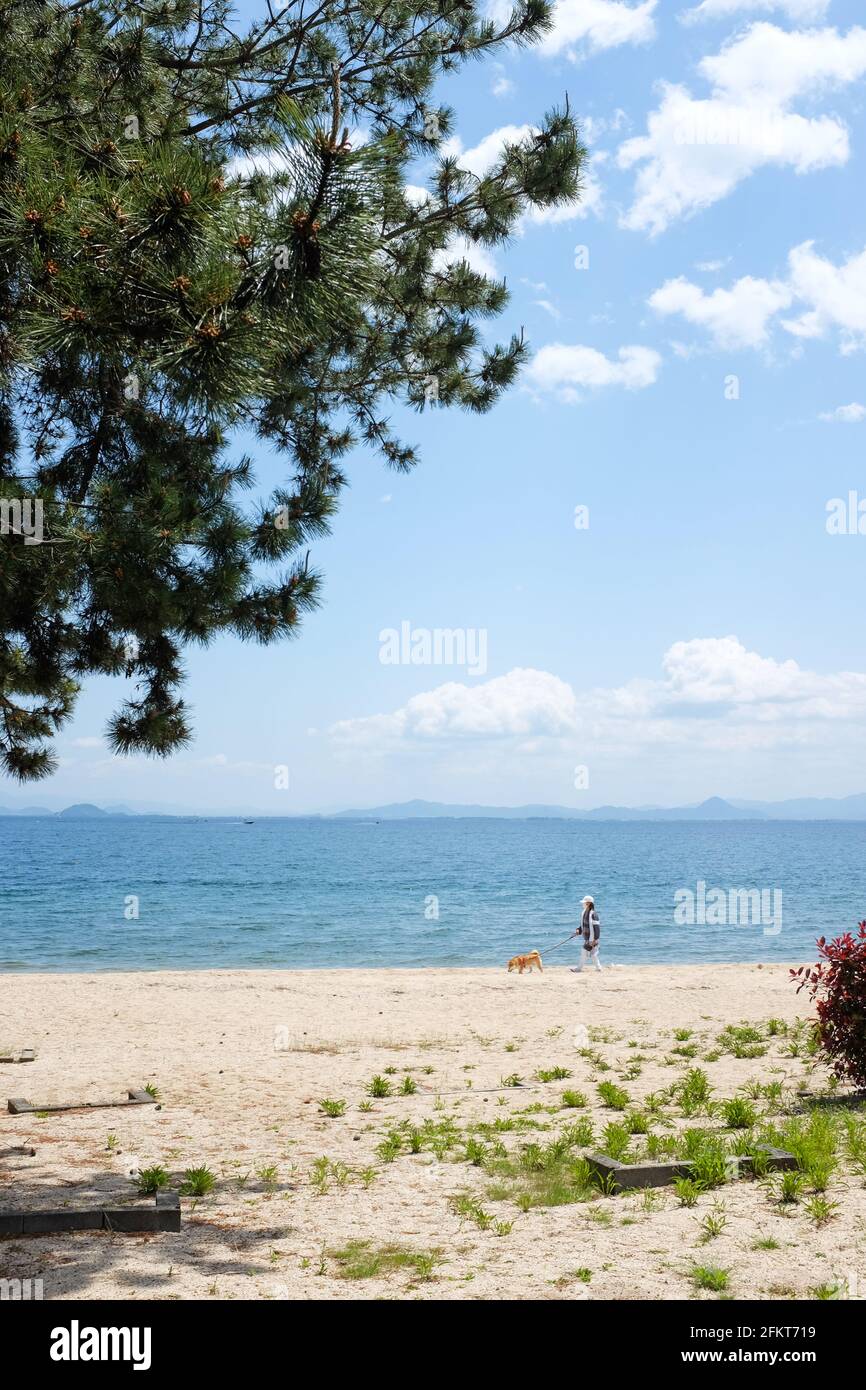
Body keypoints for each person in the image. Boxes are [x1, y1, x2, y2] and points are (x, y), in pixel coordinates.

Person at [571, 895, 602, 973]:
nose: (583, 904)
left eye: (584, 903)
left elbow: (597, 928)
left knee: (587, 952)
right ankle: (598, 968)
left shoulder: (593, 914)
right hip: (587, 939)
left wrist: (595, 939)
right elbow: (583, 925)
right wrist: (578, 930)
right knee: (592, 954)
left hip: (592, 939)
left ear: (588, 903)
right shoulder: (584, 912)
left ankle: (579, 969)